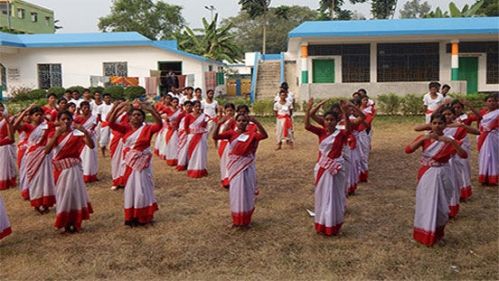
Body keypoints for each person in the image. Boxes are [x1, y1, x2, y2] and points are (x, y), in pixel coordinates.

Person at [405, 113, 467, 246]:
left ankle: (439, 234)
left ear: (445, 125)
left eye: (440, 123)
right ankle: (423, 234)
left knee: (442, 206)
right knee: (426, 204)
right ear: (430, 124)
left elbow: (464, 155)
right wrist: (422, 139)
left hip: (444, 173)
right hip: (427, 173)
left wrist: (452, 142)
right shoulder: (424, 137)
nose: (437, 126)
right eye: (434, 123)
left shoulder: (450, 139)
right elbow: (408, 150)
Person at [305, 98, 361, 236]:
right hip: (322, 168)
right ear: (324, 121)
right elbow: (307, 125)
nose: (329, 122)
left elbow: (349, 127)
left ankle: (333, 223)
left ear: (337, 121)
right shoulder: (321, 133)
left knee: (335, 194)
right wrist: (311, 108)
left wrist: (345, 112)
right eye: (327, 119)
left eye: (332, 120)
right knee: (322, 195)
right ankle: (322, 222)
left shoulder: (341, 134)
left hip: (336, 167)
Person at [108, 101, 162, 226]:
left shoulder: (147, 129)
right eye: (134, 115)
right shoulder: (125, 129)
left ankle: (144, 215)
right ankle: (131, 215)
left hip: (142, 164)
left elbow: (159, 124)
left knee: (143, 188)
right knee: (131, 189)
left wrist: (151, 110)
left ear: (143, 118)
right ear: (129, 118)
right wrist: (117, 109)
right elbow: (110, 123)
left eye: (139, 115)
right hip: (130, 164)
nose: (136, 117)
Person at [213, 113, 268, 227]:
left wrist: (257, 122)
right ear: (236, 122)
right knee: (236, 192)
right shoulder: (231, 133)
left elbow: (264, 135)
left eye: (244, 121)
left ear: (247, 123)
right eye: (239, 120)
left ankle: (247, 220)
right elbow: (215, 137)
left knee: (247, 192)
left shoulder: (252, 134)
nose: (241, 123)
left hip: (247, 167)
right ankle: (236, 219)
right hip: (235, 167)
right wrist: (218, 124)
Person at [45, 111, 95, 233]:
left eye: (68, 119)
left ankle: (76, 222)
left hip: (74, 168)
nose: (66, 121)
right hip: (61, 169)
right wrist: (56, 135)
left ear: (72, 120)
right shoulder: (53, 133)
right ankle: (64, 222)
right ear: (58, 120)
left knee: (75, 194)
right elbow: (47, 150)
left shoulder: (77, 134)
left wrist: (85, 132)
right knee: (64, 195)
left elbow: (91, 145)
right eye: (63, 119)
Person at [13, 105, 56, 213]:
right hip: (32, 155)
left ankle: (46, 203)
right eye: (36, 115)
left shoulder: (47, 126)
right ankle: (36, 203)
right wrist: (25, 111)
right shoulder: (27, 127)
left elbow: (54, 131)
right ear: (31, 116)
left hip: (45, 154)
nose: (39, 117)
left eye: (41, 114)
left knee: (46, 179)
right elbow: (14, 126)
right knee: (34, 180)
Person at [74, 101, 99, 183]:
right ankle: (84, 175)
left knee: (92, 156)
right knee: (83, 157)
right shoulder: (77, 118)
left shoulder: (94, 117)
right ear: (81, 109)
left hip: (91, 138)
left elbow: (94, 127)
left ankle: (92, 174)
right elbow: (74, 128)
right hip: (82, 139)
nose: (86, 109)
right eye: (84, 108)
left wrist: (90, 132)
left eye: (88, 107)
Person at [477, 94, 499, 186]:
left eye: (493, 101)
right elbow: (479, 121)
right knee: (484, 156)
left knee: (493, 157)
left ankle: (492, 177)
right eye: (489, 101)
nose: (492, 103)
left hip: (494, 137)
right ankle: (484, 177)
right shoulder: (483, 113)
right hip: (483, 137)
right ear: (486, 103)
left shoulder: (498, 113)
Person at [185, 100, 208, 178]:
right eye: (196, 106)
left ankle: (201, 168)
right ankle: (192, 168)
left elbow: (205, 126)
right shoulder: (188, 116)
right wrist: (190, 135)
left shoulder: (203, 116)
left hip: (201, 137)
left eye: (199, 106)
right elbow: (186, 127)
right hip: (192, 137)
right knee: (193, 153)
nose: (198, 108)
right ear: (193, 107)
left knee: (201, 153)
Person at [217, 103, 236, 188]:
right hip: (221, 142)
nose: (229, 112)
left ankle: (229, 179)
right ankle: (224, 178)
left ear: (234, 111)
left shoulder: (235, 121)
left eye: (231, 110)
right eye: (227, 110)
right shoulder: (222, 120)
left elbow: (226, 131)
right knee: (223, 162)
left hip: (229, 143)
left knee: (229, 161)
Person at [0, 103, 16, 190]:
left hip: (6, 144)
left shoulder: (8, 119)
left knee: (7, 164)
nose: (0, 111)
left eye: (2, 109)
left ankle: (8, 180)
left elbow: (11, 134)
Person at [176, 101, 193, 171]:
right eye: (187, 106)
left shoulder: (193, 114)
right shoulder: (181, 114)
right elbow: (177, 124)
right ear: (184, 107)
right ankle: (182, 163)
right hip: (182, 133)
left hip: (190, 133)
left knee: (189, 148)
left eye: (190, 106)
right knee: (182, 149)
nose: (188, 107)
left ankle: (189, 163)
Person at [165, 97, 182, 166]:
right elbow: (165, 118)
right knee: (171, 144)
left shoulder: (180, 110)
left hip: (178, 129)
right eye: (174, 102)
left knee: (178, 144)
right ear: (171, 103)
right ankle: (171, 159)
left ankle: (178, 159)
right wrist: (170, 124)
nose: (175, 103)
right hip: (171, 129)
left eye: (177, 102)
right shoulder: (167, 109)